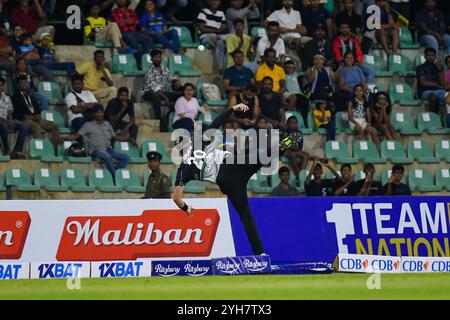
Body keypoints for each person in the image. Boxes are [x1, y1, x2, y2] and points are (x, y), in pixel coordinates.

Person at [172, 103, 304, 255]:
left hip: (227, 184)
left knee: (246, 216)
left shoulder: (182, 170)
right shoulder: (199, 142)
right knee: (259, 158)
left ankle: (260, 254)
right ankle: (282, 145)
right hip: (230, 166)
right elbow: (218, 121)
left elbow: (176, 197)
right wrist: (234, 108)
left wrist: (186, 209)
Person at [64, 104, 130, 176]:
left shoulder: (107, 124)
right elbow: (76, 136)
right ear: (93, 114)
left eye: (101, 112)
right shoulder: (88, 125)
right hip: (96, 150)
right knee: (107, 156)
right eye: (97, 112)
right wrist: (64, 138)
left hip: (108, 149)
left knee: (125, 157)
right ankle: (114, 175)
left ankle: (114, 174)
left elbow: (115, 137)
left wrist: (129, 139)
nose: (99, 114)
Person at [12, 75, 60, 156]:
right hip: (24, 120)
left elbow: (37, 110)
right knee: (37, 128)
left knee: (55, 126)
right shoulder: (14, 97)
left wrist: (37, 116)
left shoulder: (32, 96)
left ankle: (56, 152)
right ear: (18, 85)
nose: (24, 85)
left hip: (35, 119)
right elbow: (15, 113)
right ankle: (40, 153)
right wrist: (27, 117)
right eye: (22, 83)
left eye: (26, 83)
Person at [142, 49, 181, 130]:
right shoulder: (149, 71)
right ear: (151, 59)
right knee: (156, 98)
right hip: (148, 92)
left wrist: (176, 82)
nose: (157, 59)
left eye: (159, 57)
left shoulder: (165, 69)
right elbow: (155, 89)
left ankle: (170, 116)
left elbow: (171, 78)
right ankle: (159, 122)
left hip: (162, 92)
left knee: (180, 95)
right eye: (155, 57)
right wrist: (166, 98)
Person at [0, 77, 28, 159]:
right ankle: (7, 150)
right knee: (3, 126)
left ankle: (17, 151)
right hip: (1, 121)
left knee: (24, 126)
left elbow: (10, 112)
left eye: (2, 85)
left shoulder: (7, 98)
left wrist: (10, 119)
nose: (0, 87)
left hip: (6, 120)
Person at [197, 0, 228, 73]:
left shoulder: (221, 13)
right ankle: (219, 69)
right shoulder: (203, 12)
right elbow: (202, 29)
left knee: (230, 37)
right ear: (209, 2)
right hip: (205, 36)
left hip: (218, 36)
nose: (214, 2)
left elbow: (224, 27)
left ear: (220, 2)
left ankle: (221, 68)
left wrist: (214, 31)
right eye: (212, 0)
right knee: (218, 41)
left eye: (216, 1)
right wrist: (216, 31)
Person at [416, 47, 447, 114]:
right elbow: (423, 82)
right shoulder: (420, 67)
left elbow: (442, 83)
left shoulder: (437, 68)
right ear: (425, 56)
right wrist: (437, 85)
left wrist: (439, 70)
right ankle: (434, 117)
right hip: (424, 92)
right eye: (428, 55)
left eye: (432, 55)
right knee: (433, 96)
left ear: (435, 57)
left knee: (448, 96)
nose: (430, 57)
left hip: (438, 90)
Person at [348, 84, 380, 148]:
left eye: (360, 90)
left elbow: (368, 114)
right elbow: (350, 116)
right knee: (361, 130)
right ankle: (361, 149)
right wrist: (356, 123)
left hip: (363, 121)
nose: (359, 92)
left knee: (373, 131)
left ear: (363, 92)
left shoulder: (365, 102)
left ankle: (376, 150)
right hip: (354, 121)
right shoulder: (351, 102)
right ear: (354, 92)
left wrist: (369, 123)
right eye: (357, 91)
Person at [282, 116, 310, 184]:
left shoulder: (299, 133)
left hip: (295, 150)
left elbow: (300, 147)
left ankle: (301, 174)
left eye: (295, 122)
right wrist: (292, 146)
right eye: (291, 123)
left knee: (306, 155)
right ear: (288, 124)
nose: (294, 124)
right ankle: (298, 175)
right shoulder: (285, 132)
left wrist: (292, 146)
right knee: (292, 154)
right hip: (285, 150)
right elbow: (285, 145)